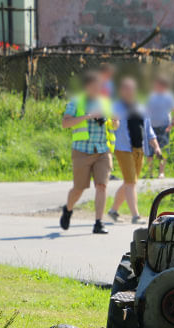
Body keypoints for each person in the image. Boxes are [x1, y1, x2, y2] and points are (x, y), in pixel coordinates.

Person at [60, 70, 118, 234]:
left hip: (102, 150)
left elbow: (115, 125)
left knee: (102, 186)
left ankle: (98, 223)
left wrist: (114, 119)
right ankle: (68, 209)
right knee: (79, 188)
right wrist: (88, 116)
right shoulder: (76, 102)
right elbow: (66, 123)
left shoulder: (105, 102)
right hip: (82, 151)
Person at [108, 77, 161, 224]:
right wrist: (114, 121)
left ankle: (113, 210)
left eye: (132, 89)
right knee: (130, 182)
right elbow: (112, 126)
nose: (130, 91)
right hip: (122, 149)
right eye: (126, 88)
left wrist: (156, 147)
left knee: (129, 182)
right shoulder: (115, 107)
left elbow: (149, 131)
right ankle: (136, 216)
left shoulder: (141, 108)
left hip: (139, 150)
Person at [145, 75, 174, 179]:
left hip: (164, 127)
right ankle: (149, 172)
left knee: (163, 150)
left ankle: (161, 172)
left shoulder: (169, 97)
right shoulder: (151, 96)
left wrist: (172, 124)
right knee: (150, 150)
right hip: (151, 127)